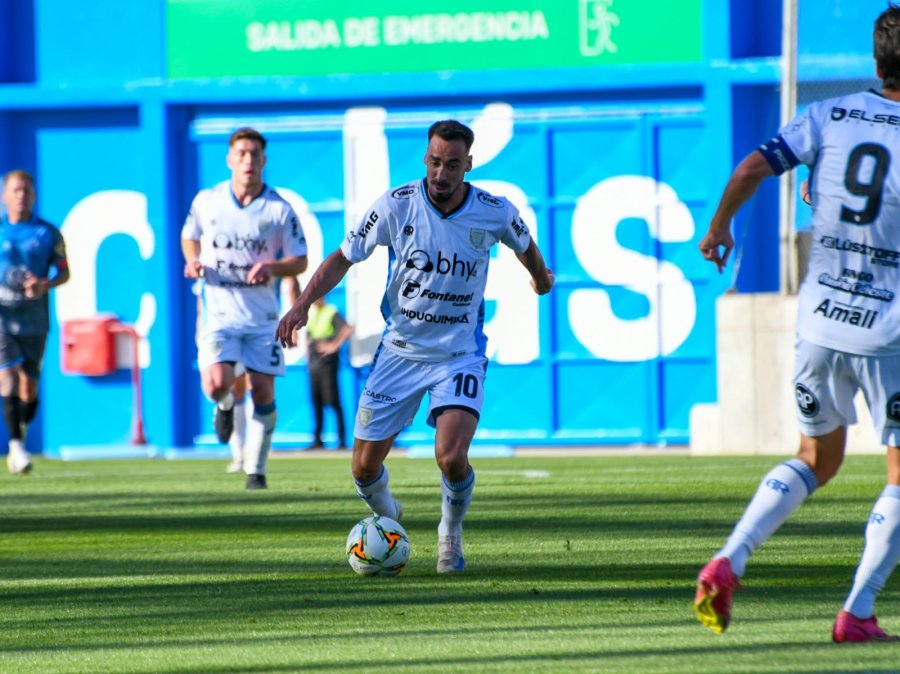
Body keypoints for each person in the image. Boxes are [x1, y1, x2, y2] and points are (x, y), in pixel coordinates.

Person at [694, 4, 900, 642]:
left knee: (816, 456)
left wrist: (720, 226)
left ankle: (731, 557)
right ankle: (857, 612)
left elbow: (752, 168)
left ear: (877, 61)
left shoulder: (828, 115)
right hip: (888, 332)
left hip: (818, 322)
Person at [277, 119, 554, 572]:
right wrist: (302, 304)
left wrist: (541, 278)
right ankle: (390, 519)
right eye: (435, 162)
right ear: (425, 158)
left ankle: (450, 535)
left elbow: (525, 244)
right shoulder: (397, 205)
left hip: (459, 355)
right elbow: (342, 258)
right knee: (363, 469)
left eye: (452, 165)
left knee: (451, 456)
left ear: (469, 164)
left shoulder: (494, 211)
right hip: (399, 353)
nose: (441, 173)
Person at [182, 127, 308, 490]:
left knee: (263, 391)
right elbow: (189, 235)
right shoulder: (208, 201)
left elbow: (300, 260)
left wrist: (272, 267)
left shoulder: (279, 208)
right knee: (216, 384)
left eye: (254, 154)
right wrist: (192, 261)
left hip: (262, 317)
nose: (248, 160)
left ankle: (256, 470)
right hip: (219, 312)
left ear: (264, 160)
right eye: (241, 154)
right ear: (229, 159)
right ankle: (223, 405)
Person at [0, 170, 70, 475]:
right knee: (7, 377)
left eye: (26, 190)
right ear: (5, 195)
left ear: (34, 194)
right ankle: (16, 447)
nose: (21, 195)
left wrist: (44, 285)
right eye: (16, 190)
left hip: (34, 319)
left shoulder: (47, 233)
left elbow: (65, 272)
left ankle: (21, 424)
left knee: (28, 390)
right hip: (3, 317)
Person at [305, 295, 353, 450]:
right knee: (316, 402)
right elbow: (309, 335)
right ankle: (317, 439)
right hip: (314, 364)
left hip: (327, 365)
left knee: (332, 400)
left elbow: (347, 329)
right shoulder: (312, 313)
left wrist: (333, 345)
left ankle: (341, 439)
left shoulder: (330, 311)